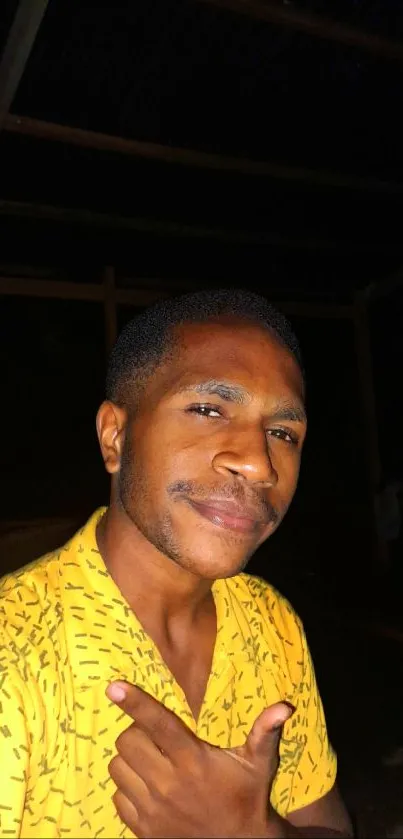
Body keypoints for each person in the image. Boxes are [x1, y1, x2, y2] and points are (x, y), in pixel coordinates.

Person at [0, 289, 353, 838]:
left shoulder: (271, 622)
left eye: (283, 433)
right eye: (208, 410)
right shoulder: (14, 655)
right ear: (115, 437)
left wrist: (252, 831)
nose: (259, 463)